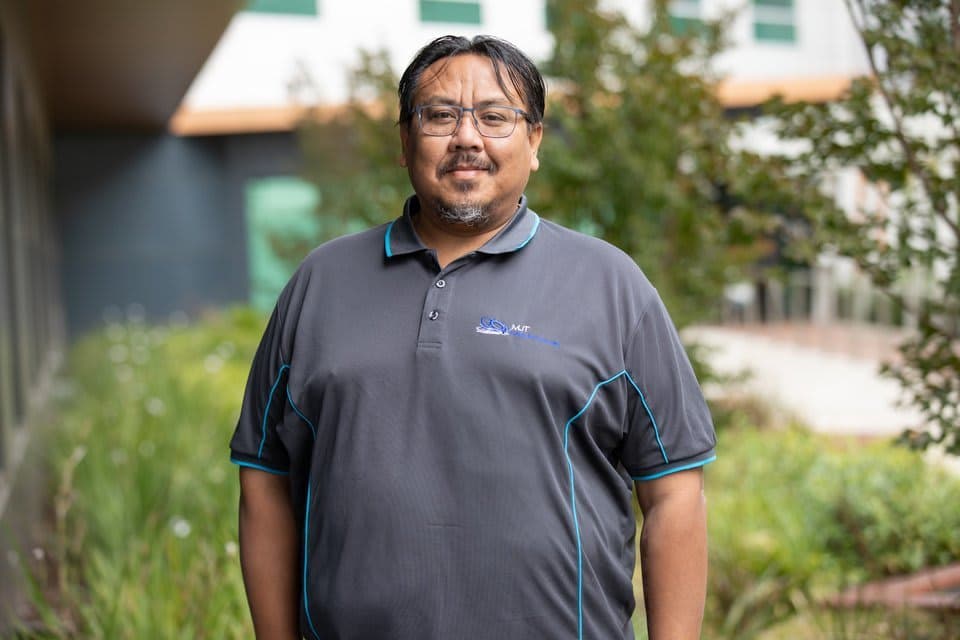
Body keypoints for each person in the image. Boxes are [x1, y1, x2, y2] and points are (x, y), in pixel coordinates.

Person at [230, 34, 716, 640]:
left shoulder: (610, 285)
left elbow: (673, 491)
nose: (467, 138)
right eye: (439, 116)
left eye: (495, 117)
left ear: (534, 141)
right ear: (405, 141)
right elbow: (263, 477)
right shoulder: (319, 284)